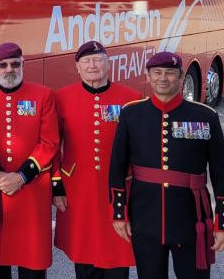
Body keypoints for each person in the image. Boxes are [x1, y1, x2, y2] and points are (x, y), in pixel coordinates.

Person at [109, 52, 224, 279]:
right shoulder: (131, 114)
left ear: (180, 78)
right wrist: (119, 213)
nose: (163, 78)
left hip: (191, 220)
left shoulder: (205, 116)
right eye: (157, 73)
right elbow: (117, 167)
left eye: (170, 73)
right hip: (146, 218)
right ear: (148, 76)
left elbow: (221, 172)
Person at [0, 42, 58, 279]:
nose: (10, 69)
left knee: (33, 263)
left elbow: (49, 143)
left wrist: (21, 176)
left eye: (15, 64)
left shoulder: (43, 94)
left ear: (23, 64)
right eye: (3, 65)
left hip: (31, 191)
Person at [52, 42, 142, 279]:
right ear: (77, 68)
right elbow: (52, 147)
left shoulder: (131, 99)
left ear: (107, 62)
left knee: (117, 254)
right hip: (78, 191)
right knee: (84, 257)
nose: (93, 65)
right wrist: (56, 186)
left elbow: (141, 149)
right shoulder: (61, 98)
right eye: (86, 61)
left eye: (98, 59)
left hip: (118, 189)